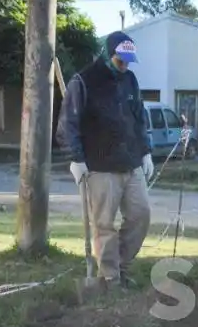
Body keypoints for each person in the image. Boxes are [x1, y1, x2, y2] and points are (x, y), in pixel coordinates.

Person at [56, 31, 154, 288]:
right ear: (108, 54)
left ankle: (121, 265)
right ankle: (111, 278)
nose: (125, 65)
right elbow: (68, 124)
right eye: (121, 60)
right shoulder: (84, 81)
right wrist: (75, 158)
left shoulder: (130, 79)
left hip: (131, 162)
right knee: (104, 225)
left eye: (129, 60)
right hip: (99, 166)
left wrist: (145, 151)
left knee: (141, 215)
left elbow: (139, 117)